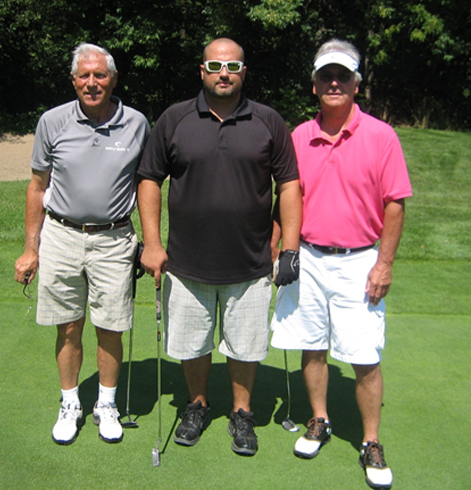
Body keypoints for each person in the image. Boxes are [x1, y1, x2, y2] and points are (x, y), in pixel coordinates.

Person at [137, 38, 302, 456]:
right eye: (214, 65)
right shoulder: (175, 119)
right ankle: (197, 404)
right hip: (186, 263)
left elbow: (289, 186)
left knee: (245, 345)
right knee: (192, 343)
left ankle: (242, 413)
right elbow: (150, 180)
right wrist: (153, 243)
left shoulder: (268, 121)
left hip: (250, 263)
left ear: (244, 72)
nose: (223, 73)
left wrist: (290, 248)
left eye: (232, 66)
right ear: (202, 71)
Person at [271, 39, 412, 489]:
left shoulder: (381, 135)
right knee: (312, 345)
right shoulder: (298, 135)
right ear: (314, 85)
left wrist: (384, 264)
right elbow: (286, 199)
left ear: (356, 84)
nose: (334, 83)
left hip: (359, 262)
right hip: (308, 257)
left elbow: (395, 205)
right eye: (325, 76)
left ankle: (370, 441)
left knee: (364, 356)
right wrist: (279, 250)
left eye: (343, 76)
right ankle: (319, 420)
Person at [14, 43, 150, 445]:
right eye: (84, 76)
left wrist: (151, 241)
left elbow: (146, 185)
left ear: (114, 79)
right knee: (69, 326)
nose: (92, 83)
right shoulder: (52, 121)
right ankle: (70, 402)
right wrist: (30, 248)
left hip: (114, 238)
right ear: (73, 80)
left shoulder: (137, 123)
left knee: (111, 327)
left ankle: (106, 404)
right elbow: (37, 187)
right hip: (61, 235)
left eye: (100, 75)